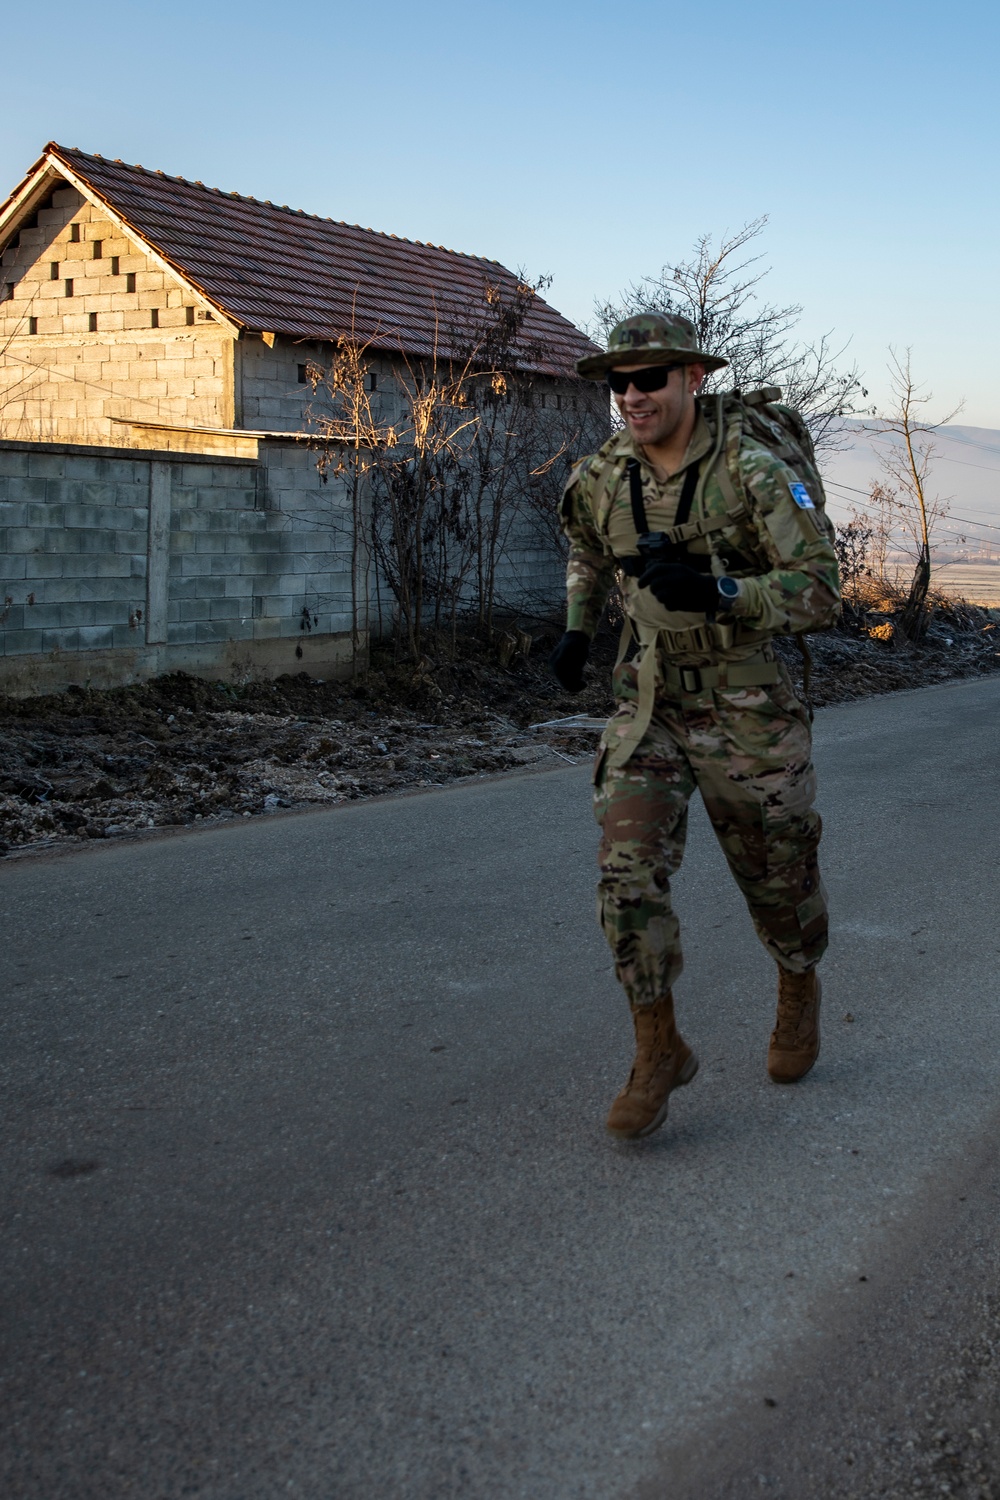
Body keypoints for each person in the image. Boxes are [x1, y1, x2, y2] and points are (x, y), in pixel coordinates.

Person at [551, 313, 841, 1141]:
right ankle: (658, 1046)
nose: (633, 395)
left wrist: (721, 594)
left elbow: (821, 591)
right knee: (626, 871)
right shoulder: (603, 474)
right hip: (649, 705)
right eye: (620, 382)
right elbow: (584, 548)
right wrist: (577, 625)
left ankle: (796, 983)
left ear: (694, 379)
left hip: (747, 705)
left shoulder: (750, 470)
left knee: (779, 881)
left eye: (652, 378)